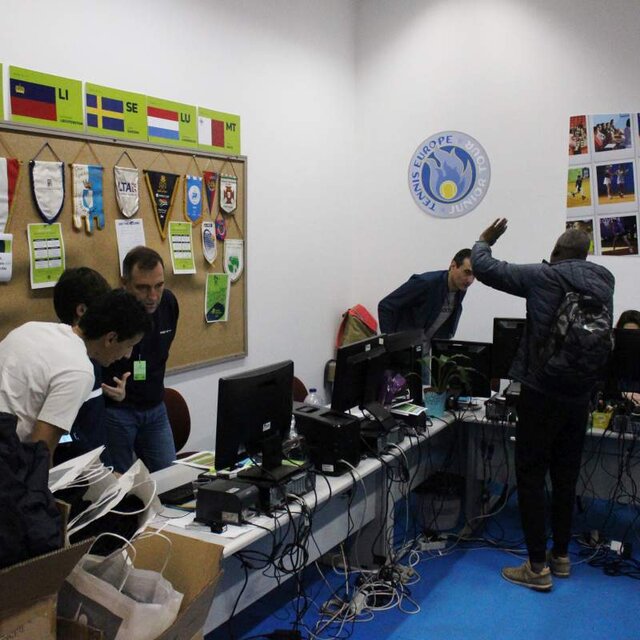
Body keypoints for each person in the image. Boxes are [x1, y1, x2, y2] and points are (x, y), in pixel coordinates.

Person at [471, 219, 614, 592]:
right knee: (566, 478)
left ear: (556, 252)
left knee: (531, 476)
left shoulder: (543, 276)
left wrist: (484, 240)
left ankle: (536, 567)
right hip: (579, 396)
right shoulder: (605, 282)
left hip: (541, 391)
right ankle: (561, 557)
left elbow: (485, 268)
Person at [0, 289, 149, 463]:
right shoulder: (80, 371)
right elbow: (40, 453)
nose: (128, 355)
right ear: (110, 338)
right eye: (129, 345)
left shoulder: (31, 328)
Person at [103, 246, 180, 473]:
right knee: (120, 483)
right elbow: (91, 358)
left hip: (155, 407)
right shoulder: (108, 312)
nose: (153, 296)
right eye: (143, 288)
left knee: (171, 478)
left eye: (159, 285)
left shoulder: (169, 304)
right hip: (117, 411)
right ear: (124, 283)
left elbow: (161, 352)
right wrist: (105, 386)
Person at [52, 267, 131, 464]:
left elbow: (91, 413)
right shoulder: (69, 362)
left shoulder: (93, 355)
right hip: (79, 469)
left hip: (97, 461)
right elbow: (68, 434)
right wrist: (101, 471)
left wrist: (115, 396)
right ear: (82, 311)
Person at [377, 249, 475, 343]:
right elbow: (385, 306)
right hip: (405, 348)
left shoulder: (460, 288)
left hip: (425, 351)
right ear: (453, 265)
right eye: (467, 272)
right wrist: (391, 344)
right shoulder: (427, 283)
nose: (470, 280)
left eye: (474, 275)